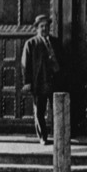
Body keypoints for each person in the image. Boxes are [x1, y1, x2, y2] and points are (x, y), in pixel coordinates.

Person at [21, 14, 60, 145]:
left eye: (47, 26)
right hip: (40, 82)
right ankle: (43, 137)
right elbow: (25, 65)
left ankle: (59, 135)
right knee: (40, 111)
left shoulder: (55, 42)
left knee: (57, 110)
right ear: (37, 28)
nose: (44, 29)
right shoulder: (31, 44)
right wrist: (27, 82)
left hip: (55, 82)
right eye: (41, 26)